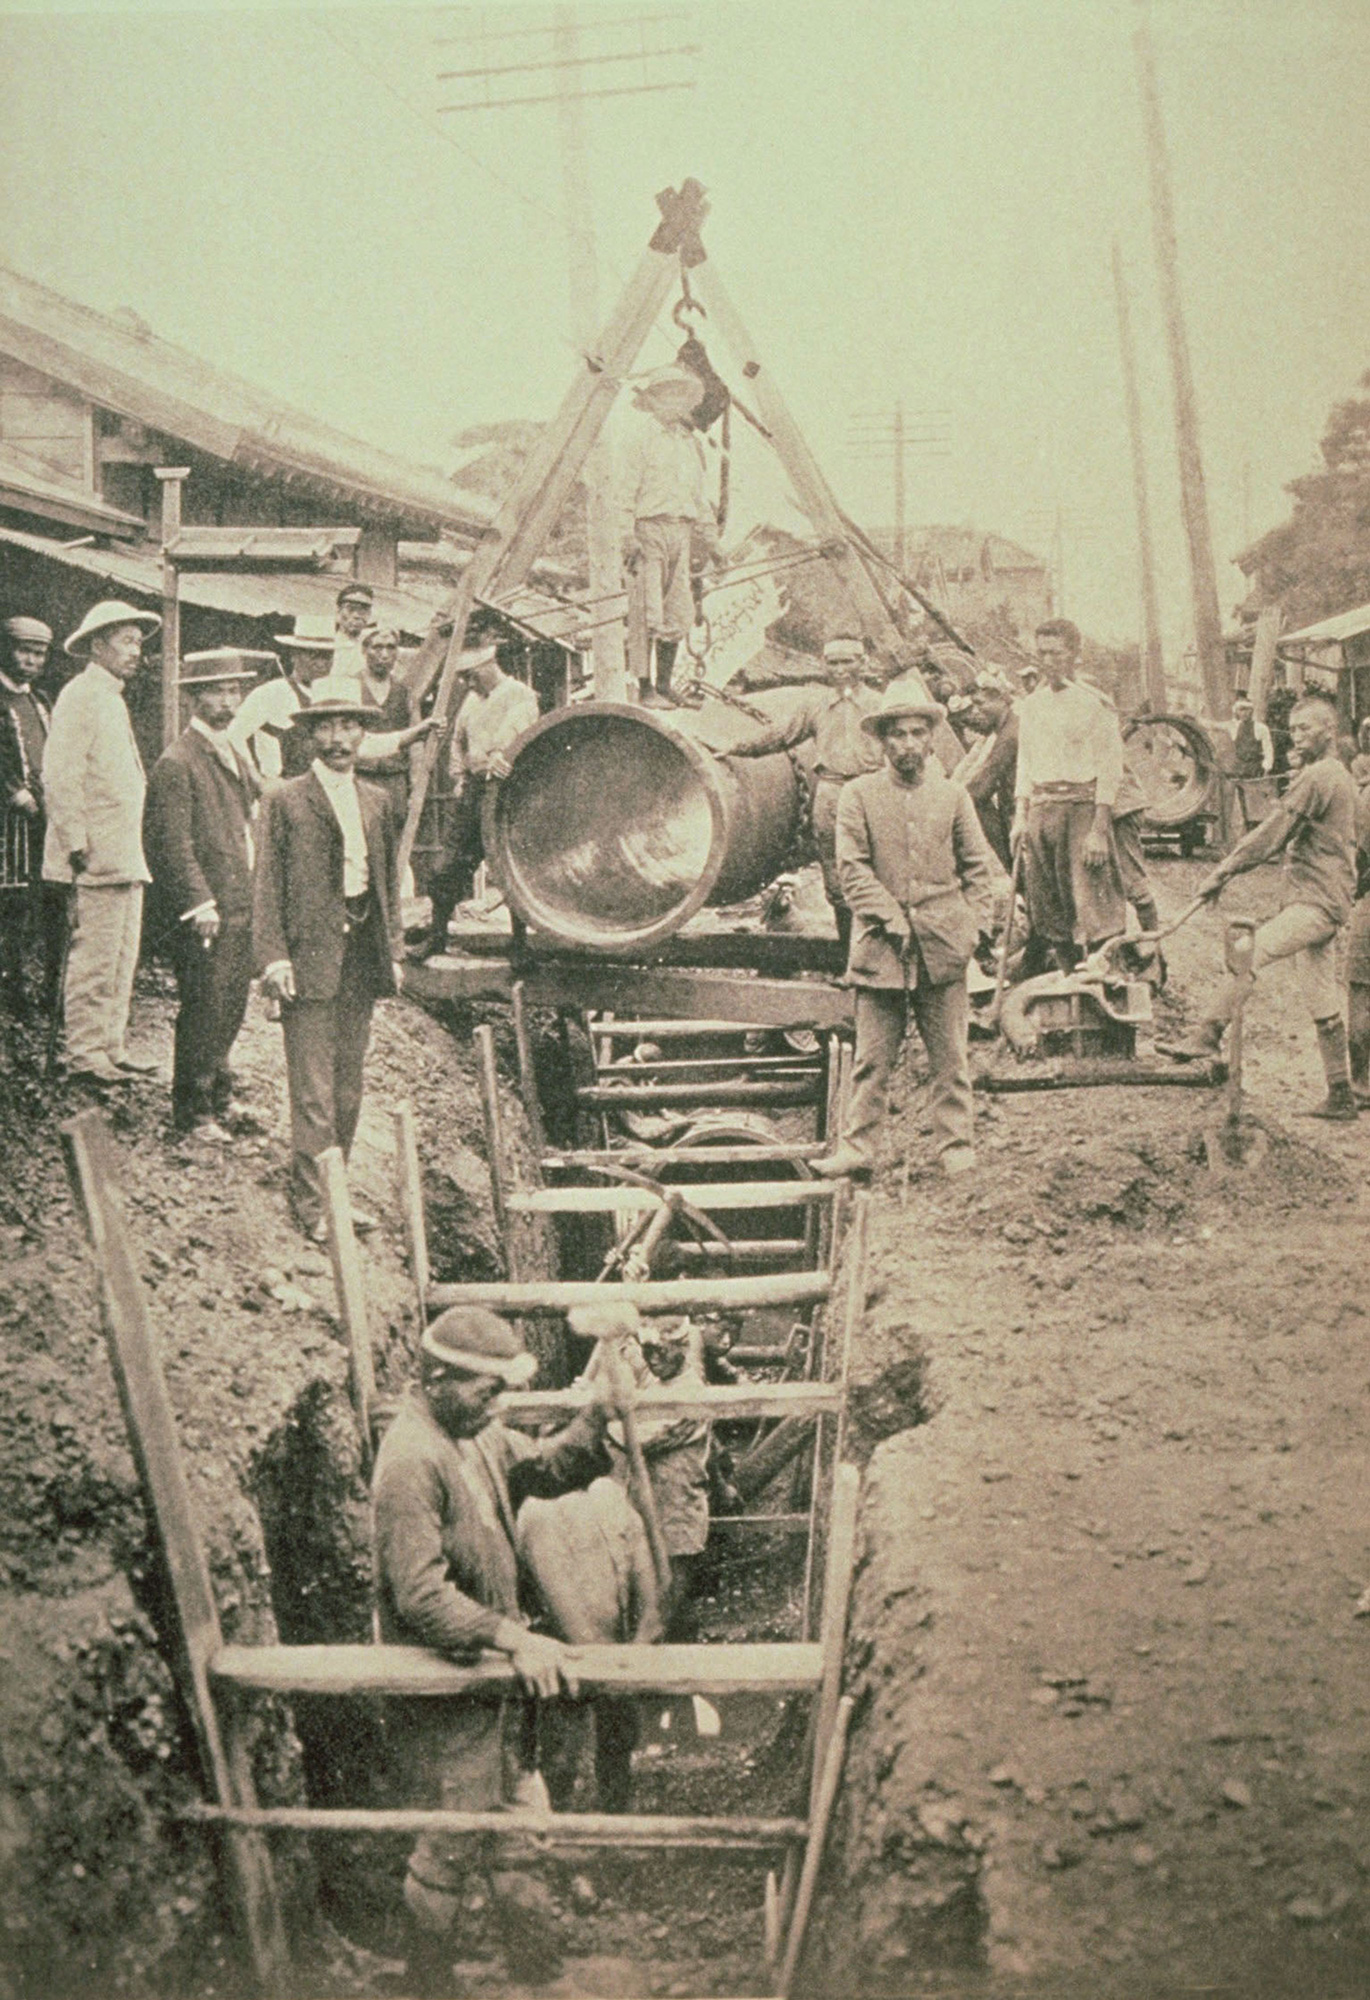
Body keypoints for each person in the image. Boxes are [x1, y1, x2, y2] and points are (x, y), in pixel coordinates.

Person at [373, 1306, 637, 1988]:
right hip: (450, 1703)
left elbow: (547, 1470)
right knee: (448, 1850)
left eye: (501, 1390)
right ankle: (428, 1985)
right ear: (434, 1378)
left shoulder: (476, 1437)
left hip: (500, 1697)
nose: (497, 1404)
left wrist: (598, 1415)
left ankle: (540, 1978)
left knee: (522, 1837)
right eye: (482, 1390)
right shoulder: (411, 1458)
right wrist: (513, 1636)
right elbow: (421, 1596)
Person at [815, 682, 995, 1181]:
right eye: (898, 734)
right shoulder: (857, 795)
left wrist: (971, 929)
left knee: (951, 1059)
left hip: (944, 948)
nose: (908, 744)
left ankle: (955, 1146)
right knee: (872, 1061)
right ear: (882, 742)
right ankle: (858, 1148)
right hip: (880, 948)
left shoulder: (953, 796)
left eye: (918, 733)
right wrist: (890, 917)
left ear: (932, 739)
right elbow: (851, 870)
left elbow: (980, 869)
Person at [1157, 695, 1359, 1121]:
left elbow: (1271, 834)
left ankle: (1207, 1033)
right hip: (1325, 898)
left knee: (1250, 951)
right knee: (1322, 998)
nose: (1297, 735)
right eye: (1294, 728)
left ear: (1329, 731)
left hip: (1317, 901)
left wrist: (1222, 872)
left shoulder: (1319, 777)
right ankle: (1341, 1093)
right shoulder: (1335, 775)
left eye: (1305, 728)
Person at [252, 677, 404, 1238]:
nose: (339, 738)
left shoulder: (378, 800)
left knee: (348, 1087)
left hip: (362, 956)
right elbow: (265, 886)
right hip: (309, 959)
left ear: (363, 733)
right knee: (313, 1091)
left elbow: (386, 881)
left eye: (349, 726)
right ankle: (314, 1209)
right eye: (328, 726)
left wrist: (394, 951)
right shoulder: (284, 800)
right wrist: (273, 959)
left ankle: (337, 1195)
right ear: (311, 734)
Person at [143, 650, 266, 1138]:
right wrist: (199, 902)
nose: (228, 700)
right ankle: (193, 1112)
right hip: (208, 910)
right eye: (216, 690)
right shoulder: (177, 761)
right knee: (204, 1005)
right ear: (194, 697)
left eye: (234, 690)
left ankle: (220, 1095)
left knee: (231, 1002)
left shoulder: (232, 749)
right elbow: (171, 843)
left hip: (239, 900)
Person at [41, 599, 161, 1087]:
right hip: (92, 857)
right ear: (97, 645)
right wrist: (75, 841)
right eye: (126, 641)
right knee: (92, 957)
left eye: (138, 642)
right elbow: (60, 774)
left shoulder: (110, 696)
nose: (136, 652)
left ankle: (110, 1045)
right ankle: (83, 1052)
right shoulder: (81, 695)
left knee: (121, 955)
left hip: (122, 853)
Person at [728, 634, 885, 953]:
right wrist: (736, 749)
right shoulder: (816, 706)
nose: (840, 669)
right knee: (837, 879)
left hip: (873, 791)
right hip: (831, 792)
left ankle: (882, 958)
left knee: (881, 872)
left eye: (848, 661)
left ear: (863, 664)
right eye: (833, 662)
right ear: (824, 666)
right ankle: (849, 959)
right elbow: (782, 736)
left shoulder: (880, 706)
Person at [1013, 617, 1128, 971]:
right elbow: (1025, 763)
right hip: (1041, 810)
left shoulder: (1095, 704)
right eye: (1042, 653)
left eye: (1056, 654)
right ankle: (1065, 981)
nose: (1048, 662)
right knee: (1048, 910)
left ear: (1074, 654)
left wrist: (1099, 830)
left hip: (1080, 808)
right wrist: (1020, 817)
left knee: (1093, 908)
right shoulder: (1031, 705)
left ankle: (1104, 983)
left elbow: (1110, 770)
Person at [416, 645, 538, 958]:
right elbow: (458, 740)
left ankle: (520, 943)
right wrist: (458, 775)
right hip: (474, 789)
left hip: (508, 793)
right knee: (448, 865)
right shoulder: (472, 700)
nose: (469, 684)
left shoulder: (520, 695)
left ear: (487, 667)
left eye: (471, 677)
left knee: (510, 867)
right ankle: (437, 935)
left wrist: (501, 755)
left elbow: (515, 736)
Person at [621, 365, 718, 703]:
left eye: (680, 396)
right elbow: (624, 490)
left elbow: (698, 497)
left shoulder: (689, 444)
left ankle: (664, 684)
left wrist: (713, 541)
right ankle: (644, 688)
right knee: (647, 610)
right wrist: (626, 534)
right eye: (667, 396)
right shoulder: (639, 439)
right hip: (648, 529)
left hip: (682, 530)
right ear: (653, 400)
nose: (675, 404)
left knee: (679, 611)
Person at [0, 615, 65, 1020]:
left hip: (44, 817)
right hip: (9, 824)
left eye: (39, 653)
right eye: (24, 651)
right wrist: (13, 793)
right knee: (14, 907)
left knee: (51, 903)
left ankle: (51, 991)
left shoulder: (41, 702)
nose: (31, 660)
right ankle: (12, 990)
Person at [958, 668, 1020, 872]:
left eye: (980, 703)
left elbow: (984, 783)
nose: (975, 711)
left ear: (1002, 700)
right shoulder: (1005, 728)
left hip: (1019, 811)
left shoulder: (1010, 735)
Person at [357, 624, 414, 826]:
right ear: (365, 650)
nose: (384, 654)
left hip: (395, 778)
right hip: (360, 775)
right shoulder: (352, 686)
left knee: (395, 833)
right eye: (377, 647)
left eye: (391, 648)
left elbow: (415, 737)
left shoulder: (403, 691)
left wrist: (414, 782)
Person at [331, 581, 375, 692]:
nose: (356, 615)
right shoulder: (327, 645)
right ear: (338, 611)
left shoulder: (373, 647)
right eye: (350, 609)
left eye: (363, 610)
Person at [1232, 694, 1274, 780]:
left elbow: (1268, 750)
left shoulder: (1261, 728)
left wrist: (1267, 768)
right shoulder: (1234, 727)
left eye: (1247, 710)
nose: (1244, 713)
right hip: (1239, 769)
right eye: (1241, 710)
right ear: (1237, 712)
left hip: (1255, 769)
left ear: (1252, 711)